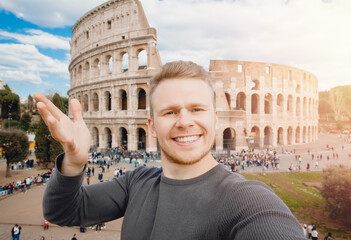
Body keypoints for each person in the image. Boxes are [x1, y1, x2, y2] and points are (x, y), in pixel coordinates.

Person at [37, 61, 305, 239]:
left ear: (215, 118)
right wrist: (73, 161)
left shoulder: (250, 201)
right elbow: (62, 212)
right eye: (170, 112)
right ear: (152, 126)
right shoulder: (136, 182)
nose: (185, 121)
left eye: (197, 109)